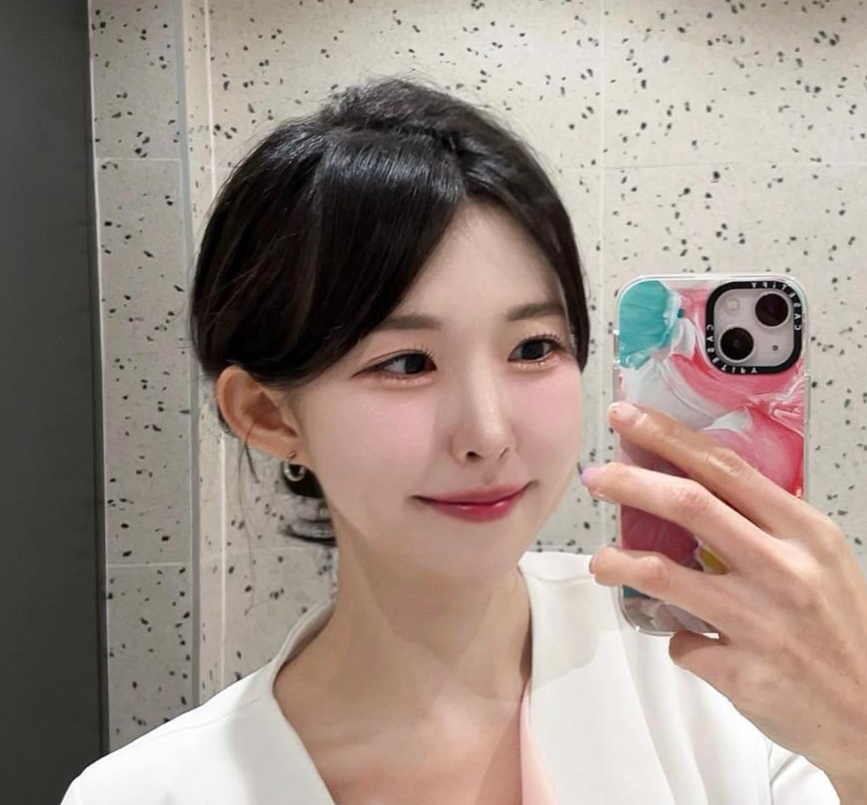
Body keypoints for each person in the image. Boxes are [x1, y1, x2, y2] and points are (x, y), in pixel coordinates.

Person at [60, 74, 858, 804]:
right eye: (406, 362)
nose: (487, 433)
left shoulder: (730, 678)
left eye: (533, 348)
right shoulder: (143, 793)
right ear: (270, 416)